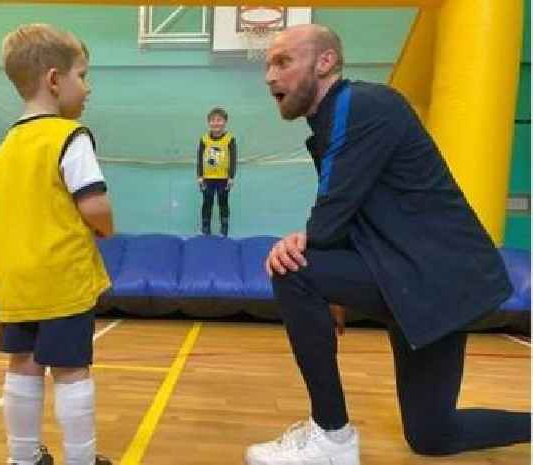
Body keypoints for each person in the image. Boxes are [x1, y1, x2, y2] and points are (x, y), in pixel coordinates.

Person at [245, 23, 531, 465]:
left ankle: (332, 438)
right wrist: (334, 282)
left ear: (325, 63)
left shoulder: (360, 106)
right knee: (432, 434)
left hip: (436, 278)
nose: (270, 76)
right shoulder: (338, 119)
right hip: (418, 277)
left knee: (292, 267)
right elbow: (357, 209)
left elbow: (332, 213)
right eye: (268, 65)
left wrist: (318, 255)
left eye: (283, 61)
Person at [0, 24, 114, 465]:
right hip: (62, 281)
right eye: (83, 75)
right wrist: (106, 228)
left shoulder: (4, 148)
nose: (88, 87)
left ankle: (22, 458)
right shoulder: (68, 137)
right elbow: (94, 204)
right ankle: (81, 458)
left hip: (17, 283)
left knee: (22, 364)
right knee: (72, 371)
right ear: (55, 80)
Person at [197, 106, 237, 236]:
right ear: (209, 123)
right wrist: (200, 175)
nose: (216, 123)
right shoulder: (204, 139)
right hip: (207, 178)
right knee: (207, 202)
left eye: (219, 120)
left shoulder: (230, 139)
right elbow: (199, 158)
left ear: (225, 122)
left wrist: (231, 177)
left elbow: (233, 158)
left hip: (223, 178)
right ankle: (205, 227)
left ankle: (224, 228)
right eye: (213, 120)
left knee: (223, 202)